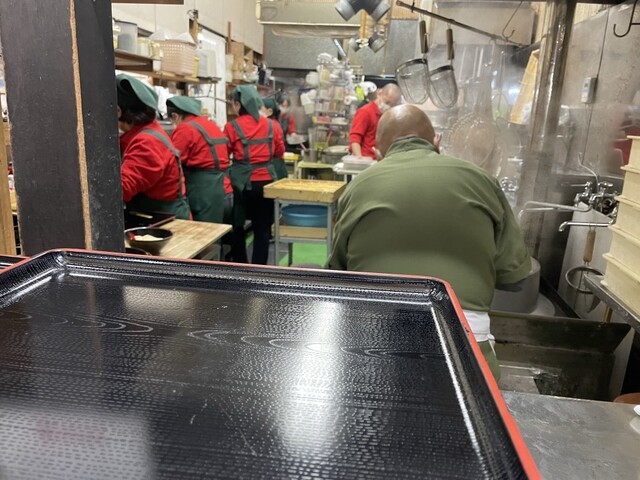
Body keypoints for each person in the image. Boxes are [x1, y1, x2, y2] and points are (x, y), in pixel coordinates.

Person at [328, 105, 532, 380]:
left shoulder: (357, 187)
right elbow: (515, 277)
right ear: (436, 141)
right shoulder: (482, 181)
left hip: (372, 345)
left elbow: (337, 276)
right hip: (467, 347)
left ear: (377, 152)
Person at [117, 73, 190, 219]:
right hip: (157, 215)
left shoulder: (146, 142)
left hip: (167, 220)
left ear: (118, 111)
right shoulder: (145, 131)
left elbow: (121, 189)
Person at [224, 86, 279, 265]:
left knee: (238, 225)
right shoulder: (271, 125)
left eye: (233, 104)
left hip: (242, 184)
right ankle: (259, 268)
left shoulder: (231, 127)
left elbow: (224, 153)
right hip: (267, 183)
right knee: (262, 228)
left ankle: (241, 265)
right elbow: (279, 151)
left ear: (238, 104)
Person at [166, 96, 233, 224]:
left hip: (205, 197)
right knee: (219, 234)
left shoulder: (185, 129)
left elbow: (172, 164)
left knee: (204, 235)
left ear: (175, 116)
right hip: (225, 192)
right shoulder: (211, 125)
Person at [349, 83, 402, 159]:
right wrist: (359, 159)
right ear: (379, 94)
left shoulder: (391, 116)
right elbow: (355, 139)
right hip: (367, 160)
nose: (388, 106)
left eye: (392, 105)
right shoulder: (365, 112)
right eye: (387, 102)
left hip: (383, 160)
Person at [261, 98, 288, 180]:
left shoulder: (271, 125)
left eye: (260, 109)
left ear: (270, 111)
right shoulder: (274, 123)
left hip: (275, 165)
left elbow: (280, 149)